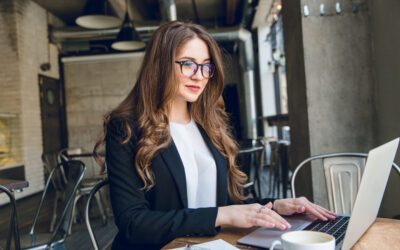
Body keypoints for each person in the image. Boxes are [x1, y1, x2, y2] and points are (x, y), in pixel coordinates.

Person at [94, 21, 336, 250]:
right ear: (160, 65)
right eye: (188, 64)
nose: (199, 76)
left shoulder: (208, 125)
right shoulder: (126, 127)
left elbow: (221, 207)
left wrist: (275, 206)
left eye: (206, 66)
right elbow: (133, 223)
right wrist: (222, 214)